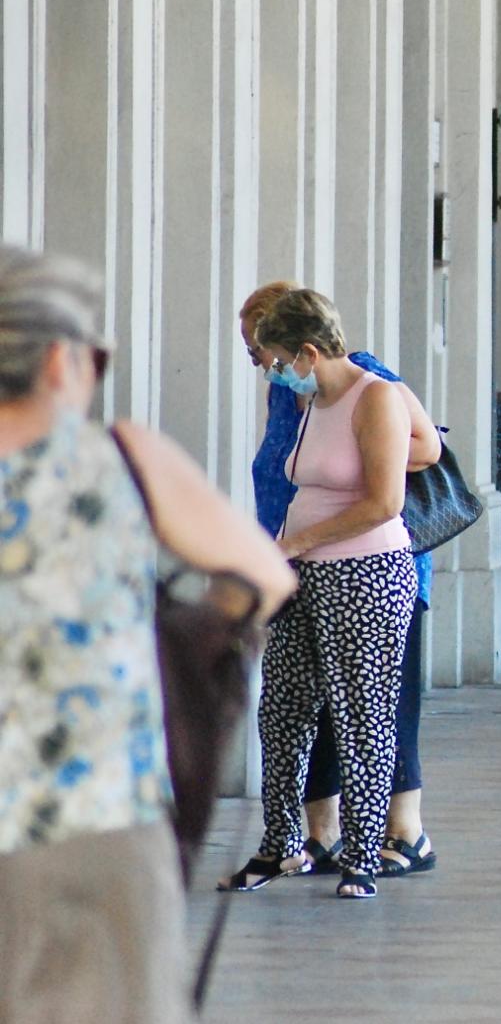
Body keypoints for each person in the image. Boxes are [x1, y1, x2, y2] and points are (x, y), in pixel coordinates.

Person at [0, 247, 295, 1021]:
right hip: (96, 824)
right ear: (63, 360)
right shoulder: (122, 459)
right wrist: (187, 628)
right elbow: (264, 575)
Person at [238, 281, 447, 878]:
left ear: (303, 348)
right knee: (286, 707)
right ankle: (298, 840)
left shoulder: (366, 383)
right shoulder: (300, 395)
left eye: (266, 355)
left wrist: (365, 460)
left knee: (367, 711)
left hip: (363, 565)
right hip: (298, 564)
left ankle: (386, 841)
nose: (263, 366)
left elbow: (414, 461)